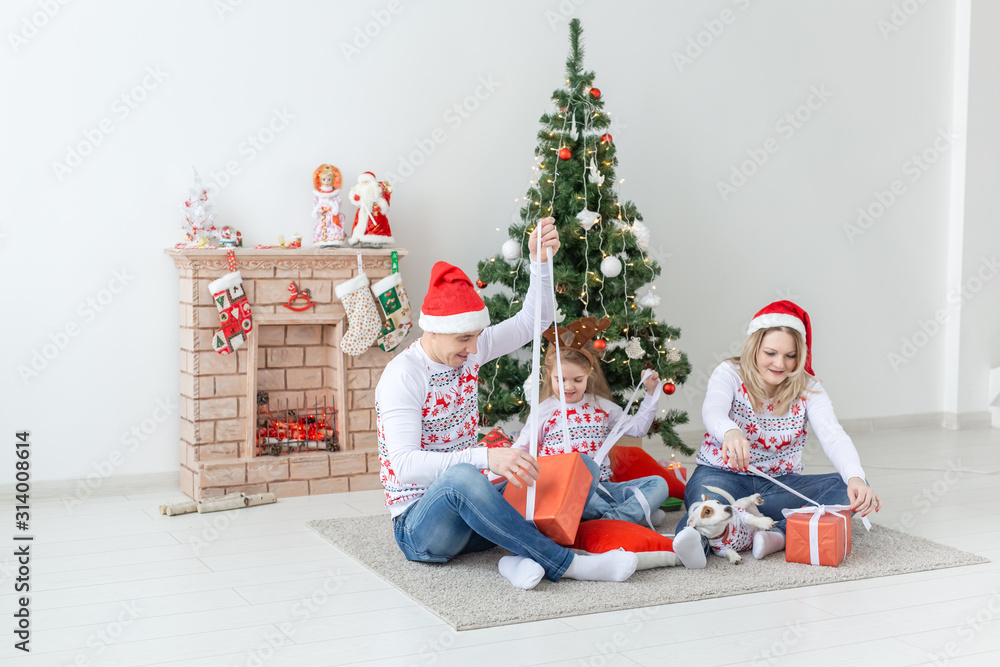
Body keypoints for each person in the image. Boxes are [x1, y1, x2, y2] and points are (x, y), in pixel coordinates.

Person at [375, 218, 639, 590]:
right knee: (463, 478)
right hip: (422, 530)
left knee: (565, 468)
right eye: (464, 339)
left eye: (476, 338)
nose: (473, 350)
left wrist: (540, 263)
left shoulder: (468, 350)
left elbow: (535, 320)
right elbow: (404, 466)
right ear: (430, 330)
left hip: (473, 517)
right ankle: (567, 563)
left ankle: (519, 559)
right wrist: (485, 458)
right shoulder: (403, 376)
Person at [677, 300, 881, 563]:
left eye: (790, 355)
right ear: (754, 348)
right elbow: (713, 409)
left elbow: (833, 434)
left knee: (850, 487)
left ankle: (779, 535)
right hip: (722, 477)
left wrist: (855, 477)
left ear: (800, 356)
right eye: (770, 353)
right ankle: (695, 542)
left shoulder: (809, 388)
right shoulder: (729, 372)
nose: (780, 363)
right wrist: (729, 431)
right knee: (708, 506)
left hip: (776, 487)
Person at [512, 337, 671, 525]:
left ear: (589, 373)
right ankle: (631, 517)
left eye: (577, 380)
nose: (568, 387)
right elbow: (521, 448)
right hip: (565, 491)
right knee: (582, 497)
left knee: (659, 484)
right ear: (548, 373)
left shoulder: (602, 407)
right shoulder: (544, 411)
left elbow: (637, 429)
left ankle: (611, 520)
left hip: (603, 489)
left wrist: (651, 393)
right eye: (560, 379)